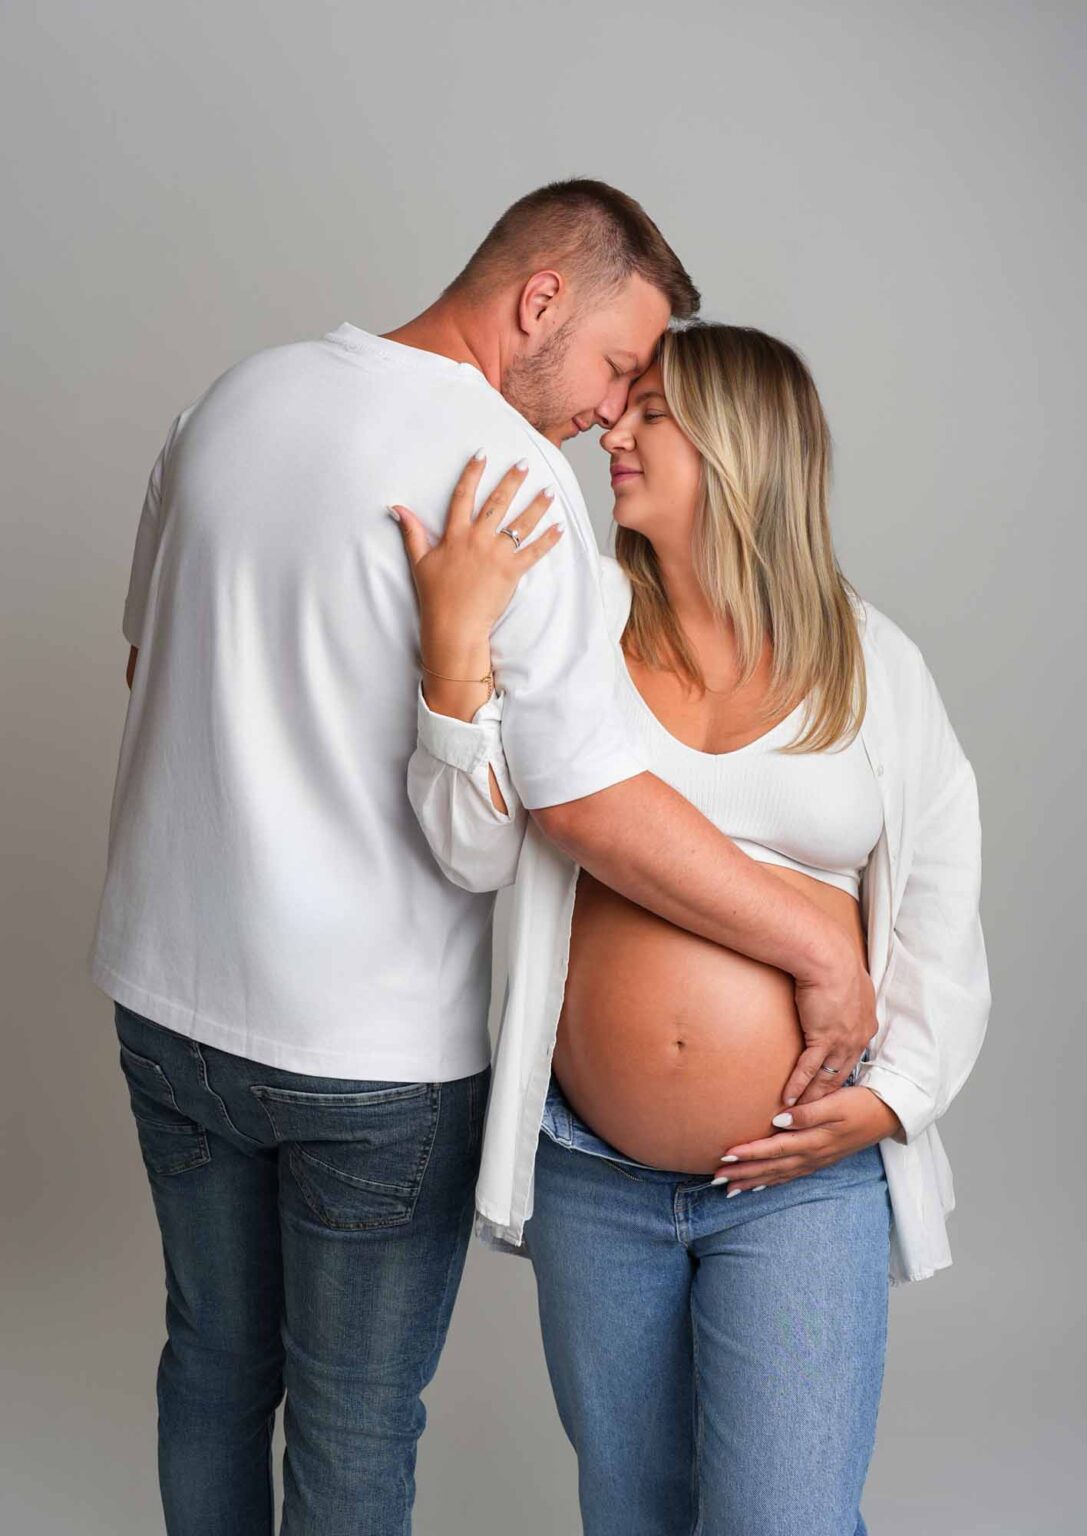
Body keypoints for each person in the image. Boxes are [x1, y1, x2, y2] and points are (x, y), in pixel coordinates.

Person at [89, 182, 881, 1536]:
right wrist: (813, 941)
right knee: (350, 1423)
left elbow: (145, 664)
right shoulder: (514, 491)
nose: (609, 410)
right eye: (619, 363)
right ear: (539, 301)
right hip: (374, 1063)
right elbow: (583, 806)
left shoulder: (228, 403)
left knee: (211, 1369)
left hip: (166, 1009)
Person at [395, 322, 991, 1535]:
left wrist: (891, 1099)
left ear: (740, 449)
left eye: (651, 412)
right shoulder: (577, 631)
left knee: (782, 1520)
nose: (611, 429)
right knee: (632, 1515)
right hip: (591, 1177)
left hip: (798, 1182)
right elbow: (471, 851)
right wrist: (453, 668)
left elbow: (939, 908)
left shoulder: (875, 667)